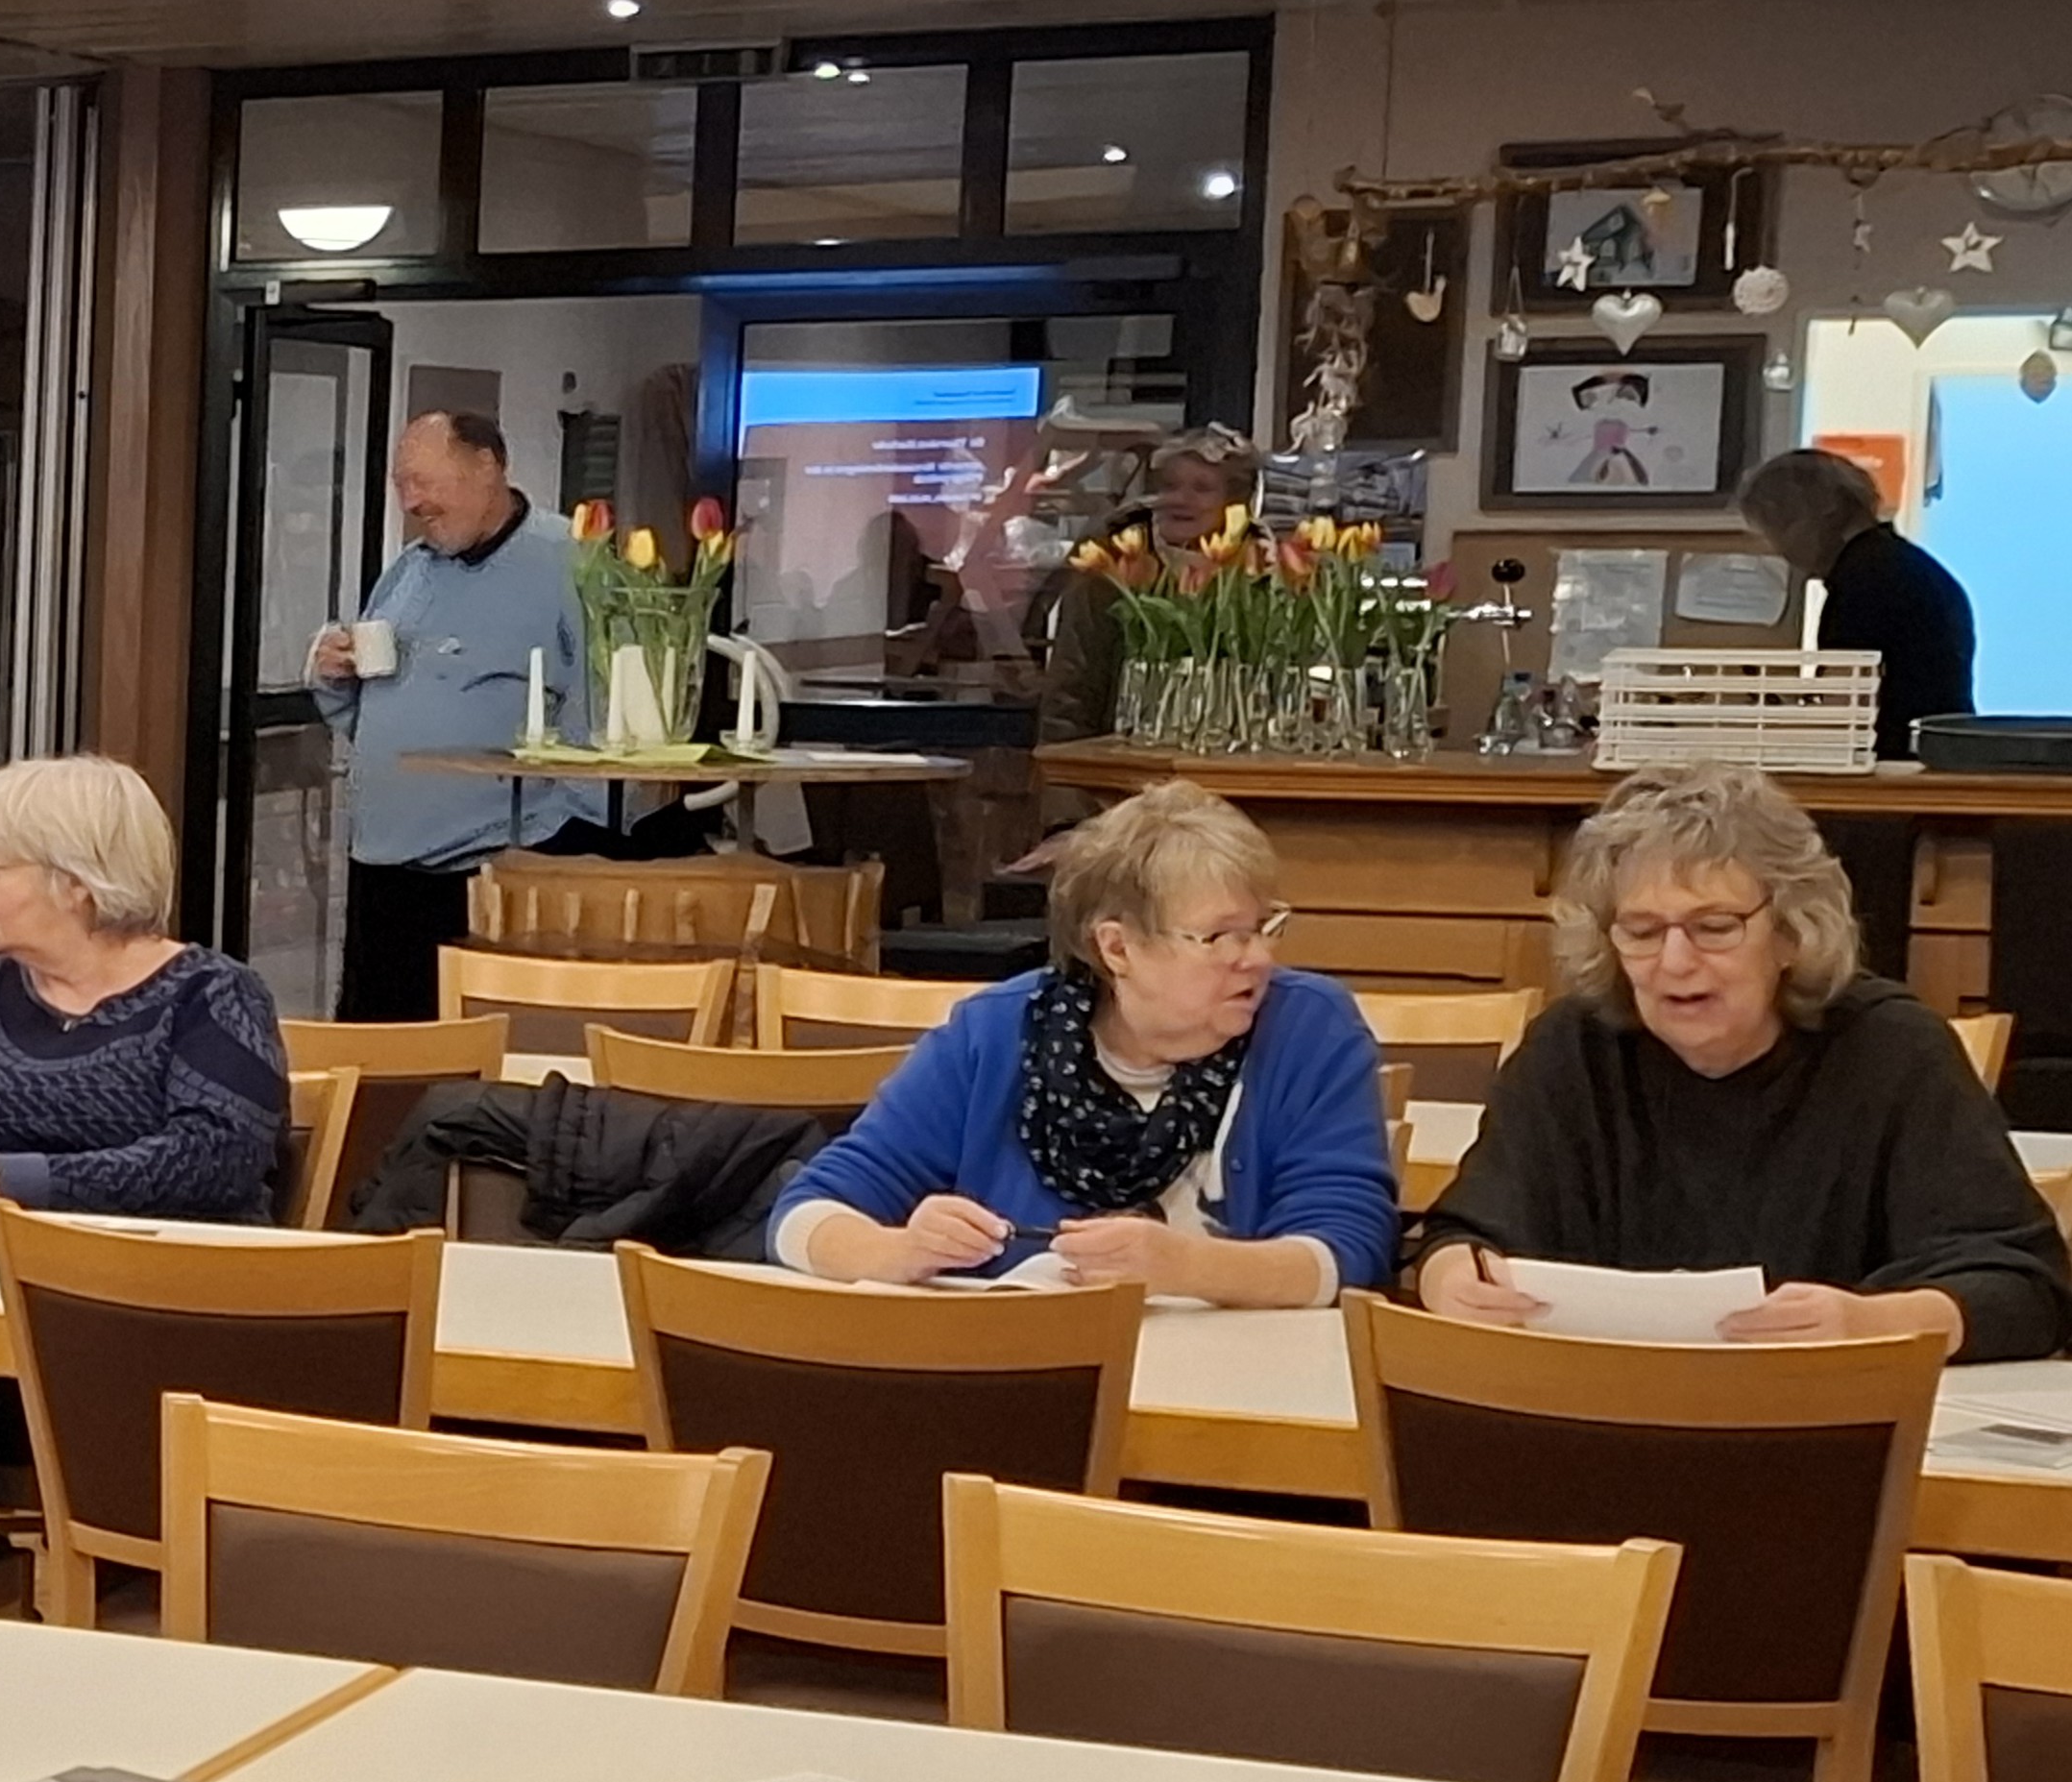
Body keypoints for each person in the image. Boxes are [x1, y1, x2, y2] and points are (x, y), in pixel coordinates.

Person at [1413, 766, 2063, 1355]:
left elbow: (2027, 1288)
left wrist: (1871, 1322)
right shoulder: (1574, 1050)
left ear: (1790, 932)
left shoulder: (1893, 1051)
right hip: (1599, 1411)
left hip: (1827, 1419)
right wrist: (1451, 1278)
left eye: (1715, 927)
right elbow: (1463, 1235)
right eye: (1642, 931)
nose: (1675, 962)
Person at [769, 780, 1395, 1306]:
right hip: (1022, 1362)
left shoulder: (1307, 1027)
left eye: (1262, 927)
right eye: (1220, 937)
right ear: (1117, 948)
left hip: (1233, 1378)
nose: (1255, 958)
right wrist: (897, 1250)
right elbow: (803, 1214)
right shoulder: (995, 1032)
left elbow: (1351, 1249)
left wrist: (1188, 1267)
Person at [0, 755, 287, 1224]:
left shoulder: (210, 994)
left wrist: (2, 1180)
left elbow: (218, 1158)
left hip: (163, 1264)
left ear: (75, 882)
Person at [307, 407, 585, 1022]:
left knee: (463, 1058)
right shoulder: (410, 569)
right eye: (402, 484)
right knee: (378, 1052)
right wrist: (333, 677)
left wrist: (553, 848)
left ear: (487, 466)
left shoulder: (570, 562)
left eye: (423, 481)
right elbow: (369, 713)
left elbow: (606, 717)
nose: (412, 502)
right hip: (383, 869)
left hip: (485, 875)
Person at [1743, 447, 1979, 748]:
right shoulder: (1906, 563)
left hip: (1896, 756)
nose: (1781, 550)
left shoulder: (1864, 578)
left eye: (1777, 529)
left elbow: (1844, 700)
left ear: (1814, 516)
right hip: (1939, 749)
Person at [1032, 431, 1256, 745]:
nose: (1180, 499)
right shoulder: (1115, 560)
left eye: (1202, 488)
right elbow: (1073, 677)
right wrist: (1060, 757)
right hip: (1119, 750)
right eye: (1169, 486)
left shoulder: (1258, 570)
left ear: (1234, 503)